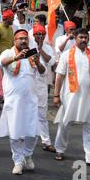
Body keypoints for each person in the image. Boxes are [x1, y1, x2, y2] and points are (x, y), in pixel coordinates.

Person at [53, 28, 90, 170]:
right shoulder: (66, 55)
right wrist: (56, 95)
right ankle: (60, 149)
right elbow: (60, 76)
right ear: (75, 38)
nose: (83, 40)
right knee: (65, 123)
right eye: (80, 37)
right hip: (70, 96)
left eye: (85, 38)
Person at [0, 29, 46, 175]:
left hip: (31, 99)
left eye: (25, 39)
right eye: (20, 39)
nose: (24, 41)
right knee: (15, 132)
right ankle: (17, 161)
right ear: (15, 40)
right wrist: (15, 58)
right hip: (14, 100)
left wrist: (37, 61)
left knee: (34, 132)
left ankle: (27, 155)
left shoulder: (33, 54)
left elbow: (43, 72)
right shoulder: (8, 52)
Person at [30, 24, 56, 152]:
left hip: (41, 84)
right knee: (27, 113)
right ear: (33, 35)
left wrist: (40, 50)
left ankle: (46, 141)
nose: (40, 37)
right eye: (38, 34)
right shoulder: (27, 46)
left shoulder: (47, 48)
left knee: (42, 114)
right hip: (28, 83)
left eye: (43, 34)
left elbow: (51, 62)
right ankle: (24, 138)